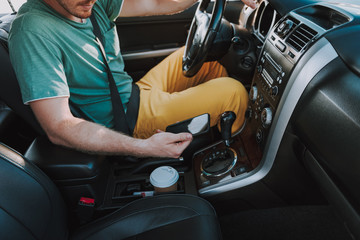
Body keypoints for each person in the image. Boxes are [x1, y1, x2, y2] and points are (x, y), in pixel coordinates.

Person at [9, 0, 256, 159]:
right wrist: (145, 147)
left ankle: (217, 131)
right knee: (232, 92)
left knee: (210, 59)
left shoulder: (89, 2)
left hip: (132, 92)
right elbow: (59, 127)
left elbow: (158, 2)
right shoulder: (32, 31)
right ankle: (241, 159)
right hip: (126, 119)